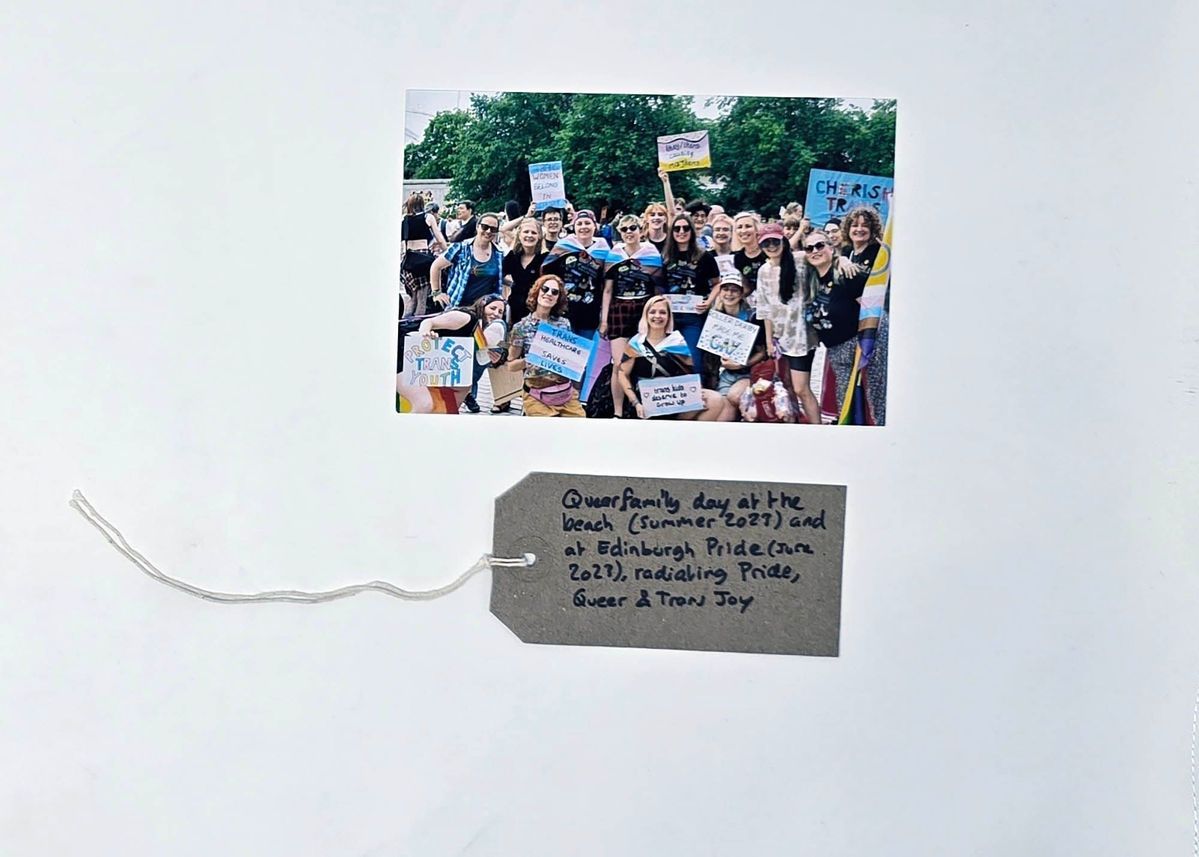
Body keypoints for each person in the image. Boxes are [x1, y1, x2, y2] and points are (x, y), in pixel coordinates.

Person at [802, 228, 888, 424]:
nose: (815, 250)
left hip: (860, 346)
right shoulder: (809, 279)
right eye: (809, 248)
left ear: (831, 247)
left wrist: (870, 340)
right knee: (846, 399)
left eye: (820, 245)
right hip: (836, 350)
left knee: (874, 395)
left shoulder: (846, 273)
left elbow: (874, 302)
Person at [751, 222, 821, 425]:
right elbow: (764, 308)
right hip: (780, 338)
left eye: (775, 241)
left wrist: (842, 260)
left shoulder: (800, 261)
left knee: (801, 388)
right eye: (766, 243)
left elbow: (824, 257)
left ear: (783, 240)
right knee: (787, 387)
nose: (771, 246)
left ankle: (819, 429)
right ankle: (795, 424)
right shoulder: (763, 271)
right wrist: (769, 342)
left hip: (801, 336)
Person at [618, 295, 731, 421]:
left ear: (668, 316)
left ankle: (688, 437)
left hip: (674, 398)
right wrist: (635, 402)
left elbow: (688, 374)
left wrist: (693, 395)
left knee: (715, 400)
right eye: (652, 312)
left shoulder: (677, 342)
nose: (657, 316)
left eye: (662, 312)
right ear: (646, 315)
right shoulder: (635, 343)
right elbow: (623, 375)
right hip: (645, 401)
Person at [398, 294, 505, 415]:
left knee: (464, 386)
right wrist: (425, 333)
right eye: (493, 308)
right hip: (404, 349)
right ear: (482, 305)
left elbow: (477, 360)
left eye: (500, 311)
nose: (496, 313)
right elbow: (428, 322)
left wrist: (493, 359)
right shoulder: (467, 317)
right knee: (424, 404)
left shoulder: (480, 332)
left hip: (427, 359)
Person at [601, 214, 663, 415]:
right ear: (620, 232)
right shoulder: (614, 255)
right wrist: (604, 320)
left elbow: (658, 288)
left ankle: (645, 408)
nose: (629, 232)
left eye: (633, 228)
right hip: (619, 309)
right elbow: (608, 290)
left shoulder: (652, 253)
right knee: (619, 364)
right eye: (625, 229)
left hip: (644, 309)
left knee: (646, 361)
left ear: (641, 229)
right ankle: (618, 411)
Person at [506, 274, 587, 417]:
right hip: (536, 393)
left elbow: (571, 360)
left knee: (579, 427)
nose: (549, 294)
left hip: (565, 392)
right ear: (537, 292)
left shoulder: (564, 324)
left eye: (554, 292)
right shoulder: (521, 327)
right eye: (545, 289)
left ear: (558, 299)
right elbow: (511, 365)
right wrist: (533, 358)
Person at [541, 209, 611, 343]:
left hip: (590, 312)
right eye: (579, 224)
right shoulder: (563, 247)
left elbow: (607, 285)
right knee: (561, 353)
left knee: (582, 356)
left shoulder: (604, 251)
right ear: (574, 227)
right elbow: (547, 275)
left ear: (594, 226)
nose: (583, 227)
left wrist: (604, 319)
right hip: (564, 311)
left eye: (587, 223)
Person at [662, 212, 719, 370]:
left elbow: (717, 283)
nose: (681, 232)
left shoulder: (704, 256)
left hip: (693, 315)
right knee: (669, 356)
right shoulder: (666, 256)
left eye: (685, 228)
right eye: (677, 228)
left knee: (694, 356)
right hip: (669, 315)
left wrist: (708, 301)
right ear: (672, 232)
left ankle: (697, 388)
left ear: (692, 231)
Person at [706, 271, 767, 414]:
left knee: (735, 397)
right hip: (725, 374)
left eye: (734, 290)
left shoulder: (753, 318)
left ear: (741, 294)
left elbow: (763, 352)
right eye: (725, 289)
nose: (729, 294)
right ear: (720, 292)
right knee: (723, 416)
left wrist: (741, 364)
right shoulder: (715, 318)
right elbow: (710, 353)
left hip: (749, 373)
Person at [430, 212, 504, 309]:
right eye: (485, 227)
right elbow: (436, 266)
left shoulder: (499, 254)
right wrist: (437, 293)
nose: (489, 231)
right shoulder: (460, 248)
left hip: (485, 309)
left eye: (493, 229)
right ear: (477, 227)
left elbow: (502, 280)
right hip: (457, 306)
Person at [400, 192, 447, 318]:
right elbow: (439, 238)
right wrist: (447, 252)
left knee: (412, 298)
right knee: (422, 298)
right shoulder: (428, 217)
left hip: (408, 260)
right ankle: (416, 327)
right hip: (423, 258)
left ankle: (405, 324)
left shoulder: (404, 220)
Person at [502, 216, 546, 328]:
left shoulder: (545, 259)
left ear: (539, 236)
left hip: (537, 312)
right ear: (519, 235)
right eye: (526, 232)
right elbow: (498, 275)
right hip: (515, 311)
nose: (529, 235)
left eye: (534, 232)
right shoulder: (513, 257)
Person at [732, 211, 766, 294]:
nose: (743, 231)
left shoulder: (768, 251)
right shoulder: (738, 257)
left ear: (757, 230)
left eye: (748, 226)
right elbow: (746, 288)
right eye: (739, 227)